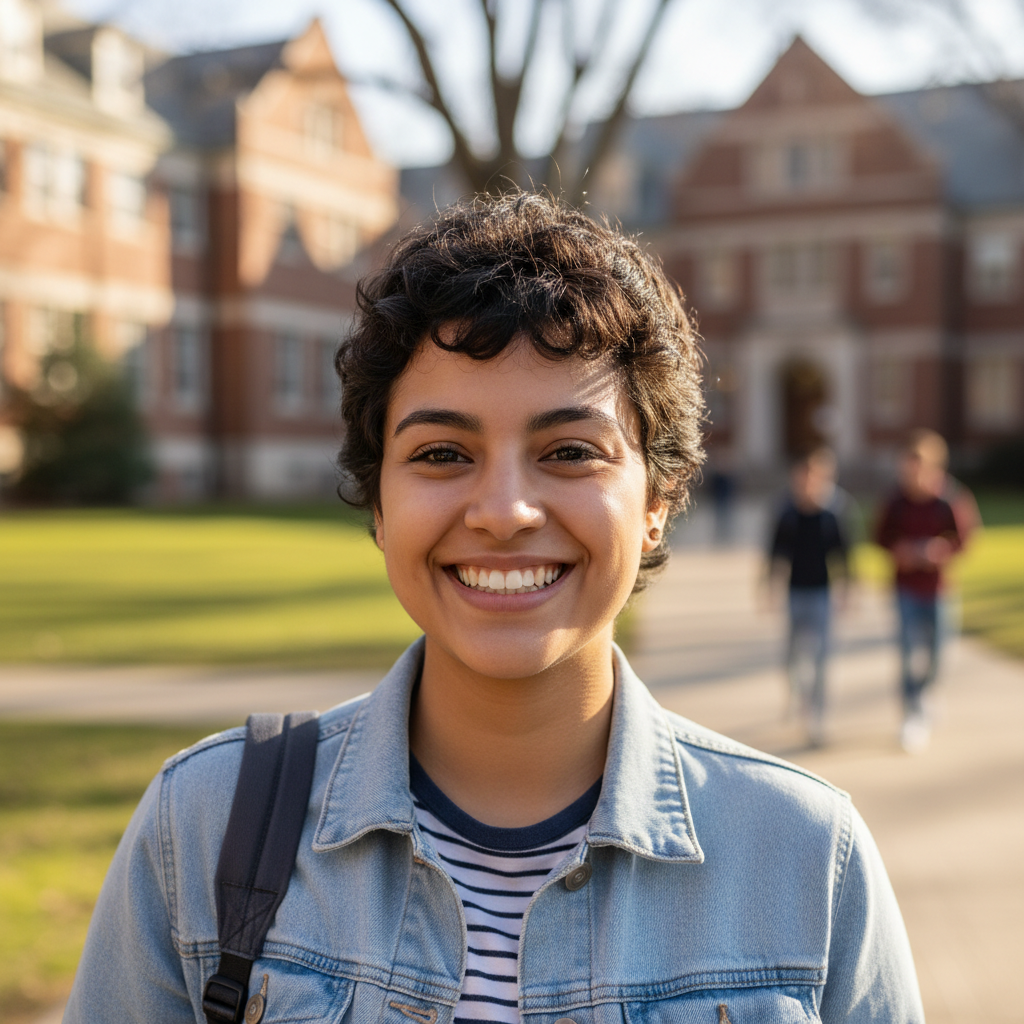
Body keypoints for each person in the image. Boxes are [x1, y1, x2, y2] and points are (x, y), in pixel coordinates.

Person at [66, 193, 923, 1022]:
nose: (505, 509)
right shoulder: (207, 828)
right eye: (441, 452)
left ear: (658, 496)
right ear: (377, 503)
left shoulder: (810, 859)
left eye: (570, 451)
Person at [875, 429, 963, 753]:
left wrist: (941, 550)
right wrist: (899, 550)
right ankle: (912, 714)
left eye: (916, 466)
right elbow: (879, 537)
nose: (910, 474)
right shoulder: (895, 501)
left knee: (938, 654)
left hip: (939, 590)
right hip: (905, 589)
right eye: (905, 467)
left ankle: (927, 694)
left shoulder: (948, 499)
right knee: (909, 653)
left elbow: (965, 538)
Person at [766, 447, 852, 746]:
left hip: (822, 595)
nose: (808, 483)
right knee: (792, 656)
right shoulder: (786, 513)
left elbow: (844, 555)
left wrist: (847, 591)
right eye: (803, 477)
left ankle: (815, 715)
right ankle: (796, 697)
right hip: (794, 594)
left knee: (820, 658)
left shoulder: (833, 514)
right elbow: (775, 553)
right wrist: (770, 588)